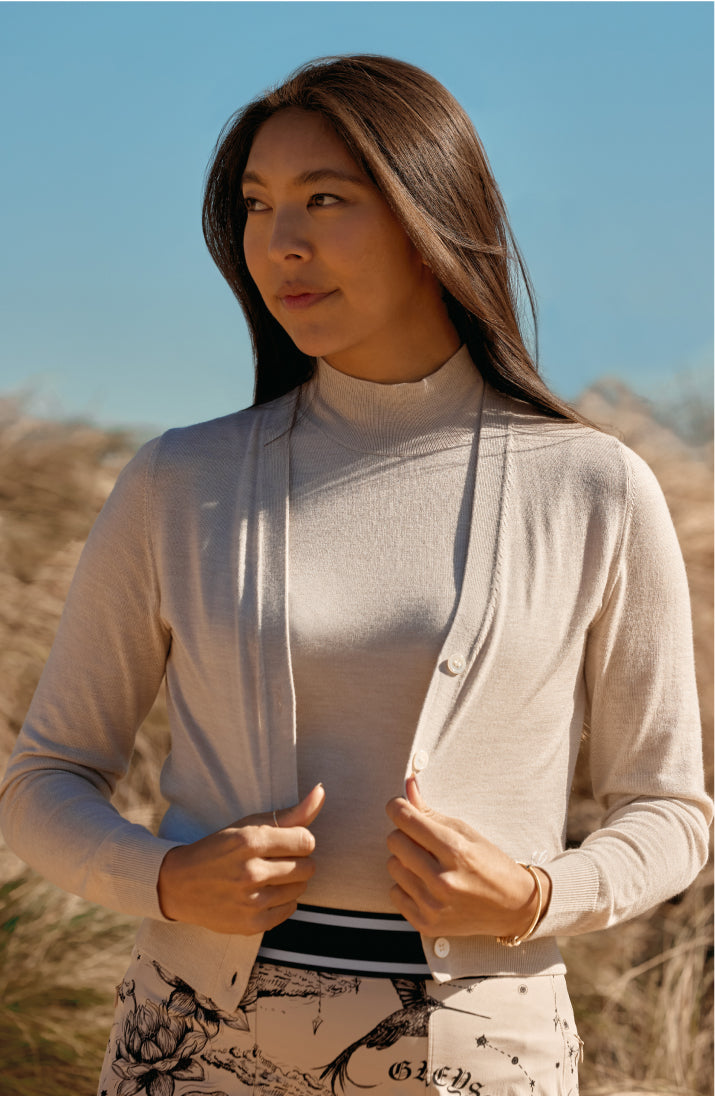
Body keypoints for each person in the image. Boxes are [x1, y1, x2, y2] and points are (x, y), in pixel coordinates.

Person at [0, 54, 711, 1096]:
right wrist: (165, 876)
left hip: (485, 1052)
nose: (280, 242)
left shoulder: (594, 488)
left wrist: (530, 893)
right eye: (256, 206)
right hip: (193, 1043)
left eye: (325, 199)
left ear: (432, 216)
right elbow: (43, 778)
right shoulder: (180, 480)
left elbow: (672, 811)